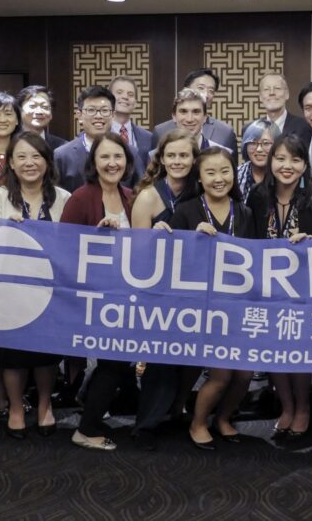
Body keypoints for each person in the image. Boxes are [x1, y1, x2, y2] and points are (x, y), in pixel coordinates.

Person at [246, 134, 312, 440]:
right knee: (274, 354)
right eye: (280, 158)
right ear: (271, 161)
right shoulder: (258, 197)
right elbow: (248, 242)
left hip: (304, 294)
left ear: (305, 164)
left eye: (295, 160)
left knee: (299, 353)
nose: (287, 166)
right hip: (266, 289)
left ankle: (303, 408)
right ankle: (286, 406)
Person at [0, 132, 71, 439]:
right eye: (21, 156)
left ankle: (45, 405)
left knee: (46, 354)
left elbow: (72, 245)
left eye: (36, 156)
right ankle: (17, 407)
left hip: (50, 289)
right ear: (11, 163)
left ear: (47, 161)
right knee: (13, 354)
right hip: (10, 289)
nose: (29, 163)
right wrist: (6, 229)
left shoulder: (63, 198)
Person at [169, 147, 256, 450]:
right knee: (221, 373)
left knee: (245, 374)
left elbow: (261, 257)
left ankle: (223, 417)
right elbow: (168, 257)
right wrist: (192, 240)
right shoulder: (186, 211)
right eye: (211, 172)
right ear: (199, 177)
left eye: (225, 171)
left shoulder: (245, 212)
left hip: (238, 307)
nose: (219, 179)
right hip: (203, 309)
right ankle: (197, 422)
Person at [59, 132, 137, 451]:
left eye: (118, 156)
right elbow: (63, 247)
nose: (112, 163)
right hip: (93, 298)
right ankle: (87, 427)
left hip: (126, 297)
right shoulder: (80, 198)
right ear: (93, 162)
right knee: (114, 362)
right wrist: (95, 236)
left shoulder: (133, 196)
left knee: (117, 362)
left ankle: (91, 408)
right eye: (104, 157)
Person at [128, 128, 201, 451]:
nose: (178, 161)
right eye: (171, 155)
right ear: (161, 159)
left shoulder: (203, 191)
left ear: (194, 159)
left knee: (192, 356)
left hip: (197, 287)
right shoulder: (148, 196)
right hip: (158, 289)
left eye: (184, 155)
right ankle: (146, 423)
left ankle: (178, 407)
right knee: (160, 359)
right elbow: (137, 254)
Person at [152, 68, 238, 165]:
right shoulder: (160, 131)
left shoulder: (225, 132)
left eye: (211, 90)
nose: (206, 94)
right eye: (201, 88)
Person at [55, 85, 123, 192]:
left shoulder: (129, 152)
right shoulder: (62, 156)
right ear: (79, 116)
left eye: (104, 110)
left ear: (113, 115)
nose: (98, 116)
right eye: (91, 110)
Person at [109, 75, 153, 180]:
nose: (125, 97)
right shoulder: (100, 135)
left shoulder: (149, 137)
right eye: (119, 92)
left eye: (130, 94)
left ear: (135, 102)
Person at [245, 73, 311, 144]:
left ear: (287, 94)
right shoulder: (250, 129)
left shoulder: (304, 127)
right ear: (260, 96)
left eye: (277, 88)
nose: (272, 93)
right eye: (266, 89)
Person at [236, 119, 279, 203]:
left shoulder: (283, 174)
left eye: (266, 143)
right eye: (253, 143)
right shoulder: (235, 175)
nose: (259, 149)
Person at [16, 85, 67, 151]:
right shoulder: (8, 142)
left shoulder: (62, 147)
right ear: (20, 111)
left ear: (51, 114)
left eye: (45, 107)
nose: (39, 112)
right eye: (32, 106)